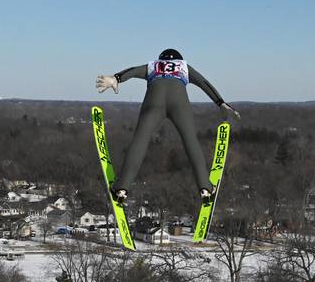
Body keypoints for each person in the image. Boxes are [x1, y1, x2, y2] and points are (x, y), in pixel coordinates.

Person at [96, 48, 239, 203]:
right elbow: (204, 83)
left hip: (153, 103)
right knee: (190, 140)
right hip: (179, 104)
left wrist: (116, 78)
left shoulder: (153, 65)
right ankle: (205, 187)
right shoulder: (183, 66)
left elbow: (133, 71)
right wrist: (221, 103)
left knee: (140, 141)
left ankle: (122, 188)